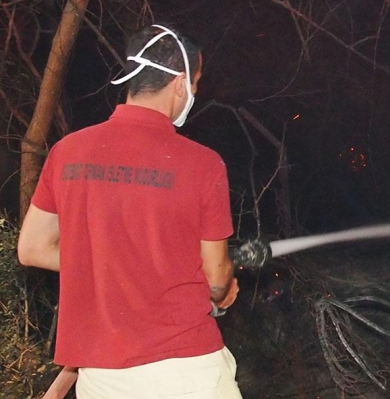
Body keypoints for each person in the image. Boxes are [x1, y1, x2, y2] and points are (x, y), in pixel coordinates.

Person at [17, 24, 243, 398]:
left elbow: (32, 249)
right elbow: (216, 278)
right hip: (186, 371)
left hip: (102, 379)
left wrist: (110, 260)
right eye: (197, 82)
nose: (195, 92)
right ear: (180, 82)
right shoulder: (203, 165)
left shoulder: (68, 153)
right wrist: (224, 289)